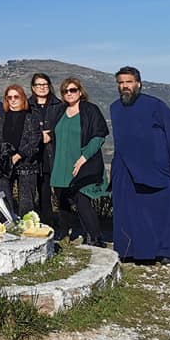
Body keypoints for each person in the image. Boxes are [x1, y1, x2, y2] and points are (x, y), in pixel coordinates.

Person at [110, 66, 170, 264]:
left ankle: (167, 251)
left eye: (129, 82)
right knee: (130, 211)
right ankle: (131, 251)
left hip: (155, 167)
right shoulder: (114, 108)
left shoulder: (155, 105)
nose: (125, 86)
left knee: (166, 209)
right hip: (125, 169)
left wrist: (166, 161)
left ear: (138, 84)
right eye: (121, 82)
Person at [50, 77, 108, 247]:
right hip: (61, 163)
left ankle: (96, 238)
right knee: (62, 202)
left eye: (73, 90)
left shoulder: (90, 110)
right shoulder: (60, 111)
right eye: (65, 91)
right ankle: (65, 234)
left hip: (83, 163)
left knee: (82, 201)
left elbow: (99, 136)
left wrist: (84, 158)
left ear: (80, 91)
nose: (69, 93)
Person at [0, 84, 42, 214]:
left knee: (27, 203)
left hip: (26, 165)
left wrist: (19, 154)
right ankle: (9, 229)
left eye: (16, 97)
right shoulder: (1, 118)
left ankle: (27, 230)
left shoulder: (31, 117)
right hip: (5, 164)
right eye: (9, 97)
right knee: (4, 201)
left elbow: (35, 140)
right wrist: (6, 155)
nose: (12, 100)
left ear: (22, 98)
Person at [29, 73, 64, 225]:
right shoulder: (27, 105)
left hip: (56, 154)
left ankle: (65, 225)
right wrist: (38, 136)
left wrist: (51, 135)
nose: (42, 88)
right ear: (33, 88)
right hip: (37, 156)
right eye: (38, 85)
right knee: (43, 194)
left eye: (44, 84)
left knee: (61, 194)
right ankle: (47, 224)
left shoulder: (59, 105)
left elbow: (64, 128)